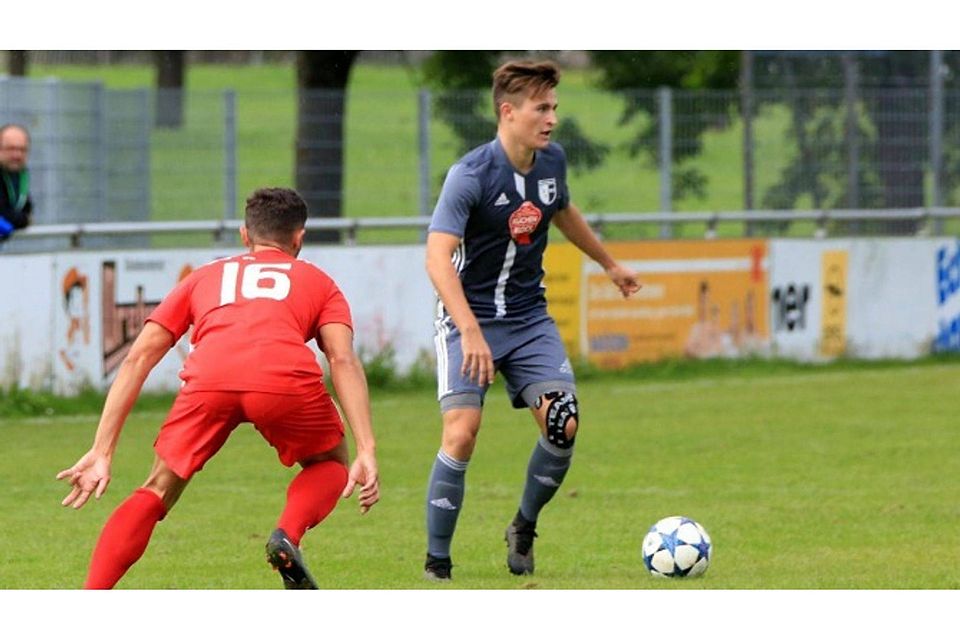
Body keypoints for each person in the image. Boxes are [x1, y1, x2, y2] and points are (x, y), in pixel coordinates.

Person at [57, 187, 380, 589]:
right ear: (299, 238)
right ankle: (287, 535)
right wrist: (366, 448)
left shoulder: (205, 276)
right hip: (282, 380)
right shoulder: (320, 282)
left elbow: (139, 356)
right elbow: (342, 358)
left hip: (210, 379)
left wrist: (102, 450)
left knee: (157, 488)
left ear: (245, 235)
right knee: (329, 464)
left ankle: (87, 601)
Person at [423, 60, 641, 580]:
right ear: (508, 112)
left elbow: (562, 210)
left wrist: (608, 264)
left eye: (554, 108)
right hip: (466, 322)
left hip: (528, 321)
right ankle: (438, 565)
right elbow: (436, 259)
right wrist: (470, 330)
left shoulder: (552, 162)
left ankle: (523, 525)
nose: (552, 119)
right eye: (542, 108)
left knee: (563, 423)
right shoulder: (470, 175)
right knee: (462, 432)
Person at [0, 124, 33, 240]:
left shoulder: (20, 175)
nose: (17, 155)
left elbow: (26, 208)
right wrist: (22, 219)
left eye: (22, 149)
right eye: (11, 148)